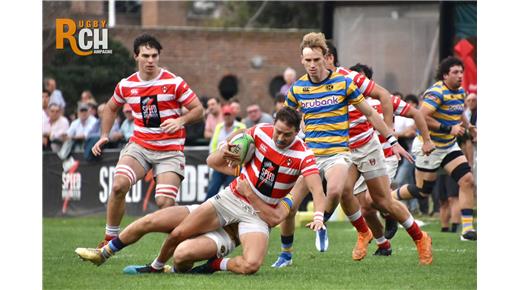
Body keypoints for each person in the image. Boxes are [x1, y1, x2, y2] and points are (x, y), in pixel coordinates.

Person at [273, 35, 427, 267]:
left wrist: (390, 139)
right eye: (308, 60)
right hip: (329, 152)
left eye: (318, 59)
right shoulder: (300, 88)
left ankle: (420, 237)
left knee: (381, 201)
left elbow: (379, 102)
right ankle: (364, 235)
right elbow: (285, 120)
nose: (313, 64)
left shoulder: (349, 79)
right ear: (302, 61)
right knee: (344, 193)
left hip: (363, 146)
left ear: (328, 57)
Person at [123, 107, 327, 275]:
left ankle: (214, 264)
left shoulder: (304, 155)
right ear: (273, 125)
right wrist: (226, 144)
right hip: (231, 198)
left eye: (287, 134)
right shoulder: (260, 131)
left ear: (297, 133)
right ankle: (155, 266)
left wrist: (318, 216)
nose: (281, 138)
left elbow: (317, 189)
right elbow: (230, 145)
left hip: (257, 215)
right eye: (278, 131)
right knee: (178, 236)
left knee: (252, 266)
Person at [90, 34, 204, 247]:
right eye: (145, 56)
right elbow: (111, 107)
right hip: (140, 146)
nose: (150, 60)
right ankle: (109, 239)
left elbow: (198, 110)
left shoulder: (174, 82)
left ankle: (183, 243)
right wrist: (104, 135)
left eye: (154, 55)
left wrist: (181, 120)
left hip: (170, 150)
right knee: (118, 186)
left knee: (164, 202)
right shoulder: (126, 85)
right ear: (136, 57)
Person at [75, 182, 294, 274]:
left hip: (225, 234)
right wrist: (227, 149)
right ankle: (104, 253)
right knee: (149, 220)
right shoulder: (254, 156)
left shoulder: (287, 181)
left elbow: (277, 216)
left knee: (181, 256)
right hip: (209, 212)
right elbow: (215, 160)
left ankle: (212, 265)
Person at [344, 63, 435, 258]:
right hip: (358, 157)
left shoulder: (384, 101)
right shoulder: (344, 103)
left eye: (360, 79)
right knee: (365, 208)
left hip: (384, 157)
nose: (355, 83)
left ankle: (391, 213)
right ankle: (383, 244)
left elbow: (416, 113)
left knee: (374, 200)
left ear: (369, 82)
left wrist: (426, 140)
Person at [391, 56, 477, 241]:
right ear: (445, 75)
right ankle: (387, 198)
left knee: (467, 179)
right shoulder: (436, 92)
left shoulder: (460, 91)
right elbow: (421, 117)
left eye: (461, 72)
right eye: (455, 72)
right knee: (422, 191)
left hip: (448, 145)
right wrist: (449, 128)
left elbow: (459, 110)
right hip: (428, 145)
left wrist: (468, 126)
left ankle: (468, 230)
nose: (460, 75)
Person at [206, 105, 246, 200]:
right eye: (225, 114)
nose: (227, 116)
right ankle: (204, 208)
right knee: (212, 188)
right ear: (223, 116)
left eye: (229, 114)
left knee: (229, 189)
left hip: (234, 164)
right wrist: (215, 156)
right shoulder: (219, 127)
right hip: (220, 160)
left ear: (233, 115)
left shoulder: (241, 126)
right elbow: (213, 144)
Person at [59, 103, 98, 172]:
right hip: (78, 144)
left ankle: (64, 157)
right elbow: (67, 135)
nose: (83, 113)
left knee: (73, 141)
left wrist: (71, 137)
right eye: (81, 111)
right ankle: (64, 157)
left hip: (90, 144)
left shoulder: (93, 121)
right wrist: (64, 136)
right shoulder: (75, 122)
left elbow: (86, 136)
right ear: (78, 113)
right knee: (71, 142)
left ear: (88, 112)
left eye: (85, 111)